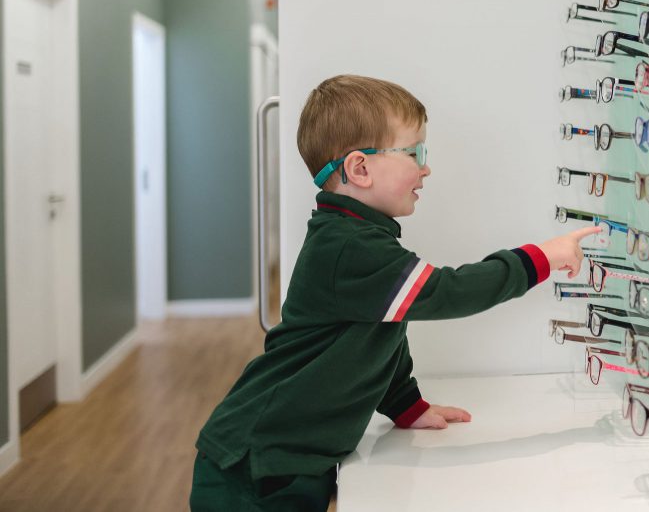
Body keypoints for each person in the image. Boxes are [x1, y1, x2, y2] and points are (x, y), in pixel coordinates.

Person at [190, 74, 599, 511]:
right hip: (255, 465)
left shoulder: (360, 237)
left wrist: (407, 405)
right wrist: (538, 258)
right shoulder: (348, 246)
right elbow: (449, 292)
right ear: (359, 168)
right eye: (414, 153)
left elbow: (380, 335)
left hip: (286, 457)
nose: (425, 168)